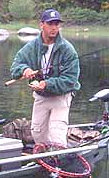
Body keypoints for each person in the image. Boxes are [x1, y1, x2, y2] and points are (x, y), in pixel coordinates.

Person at [10, 9, 80, 147]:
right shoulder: (32, 47)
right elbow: (15, 67)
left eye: (57, 24)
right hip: (41, 96)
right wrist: (25, 70)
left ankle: (58, 163)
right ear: (42, 25)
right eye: (50, 24)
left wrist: (46, 84)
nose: (54, 28)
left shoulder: (68, 49)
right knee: (38, 134)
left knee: (56, 135)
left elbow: (70, 80)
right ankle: (44, 161)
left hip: (61, 97)